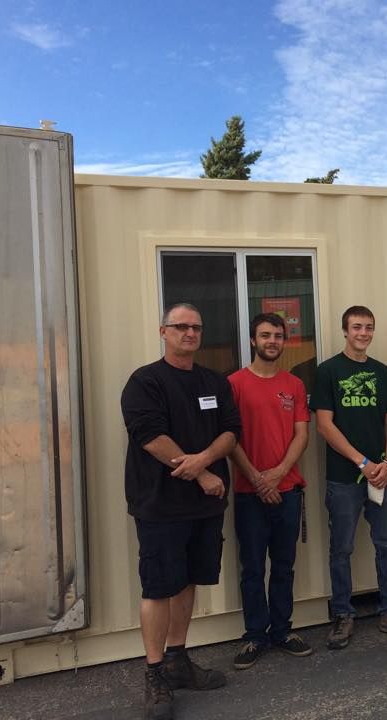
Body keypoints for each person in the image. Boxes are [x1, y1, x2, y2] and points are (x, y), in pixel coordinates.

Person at [121, 303, 241, 720]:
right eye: (181, 327)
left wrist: (203, 461)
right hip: (159, 504)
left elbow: (231, 430)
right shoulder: (145, 381)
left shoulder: (213, 381)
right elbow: (149, 436)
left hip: (202, 507)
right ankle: (154, 674)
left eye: (196, 327)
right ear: (163, 331)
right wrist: (201, 473)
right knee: (158, 587)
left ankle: (177, 660)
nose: (189, 333)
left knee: (189, 579)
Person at [310, 305, 387, 649]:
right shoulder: (328, 371)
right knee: (341, 548)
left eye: (368, 327)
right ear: (345, 330)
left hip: (382, 477)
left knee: (386, 545)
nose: (363, 333)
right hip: (346, 477)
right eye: (356, 327)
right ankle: (343, 615)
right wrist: (362, 462)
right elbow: (324, 425)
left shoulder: (381, 371)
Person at [228, 313, 312, 670]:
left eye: (278, 335)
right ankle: (254, 636)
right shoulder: (233, 384)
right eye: (265, 335)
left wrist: (276, 476)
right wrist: (258, 480)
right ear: (252, 341)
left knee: (283, 565)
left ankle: (282, 631)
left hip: (288, 491)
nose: (272, 341)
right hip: (249, 494)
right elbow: (229, 438)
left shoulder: (293, 384)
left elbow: (302, 435)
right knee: (251, 568)